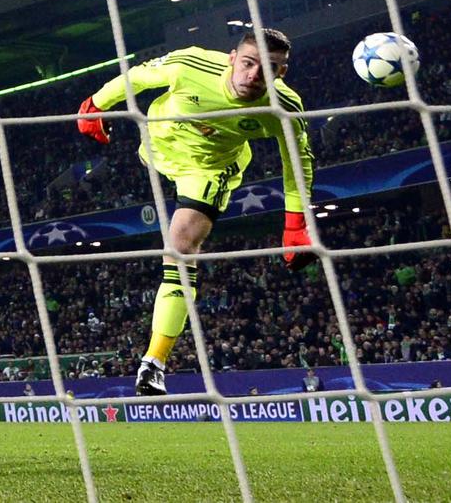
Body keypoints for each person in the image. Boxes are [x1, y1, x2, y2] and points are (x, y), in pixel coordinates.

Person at [78, 29, 316, 396]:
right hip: (157, 144)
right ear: (232, 58)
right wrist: (96, 104)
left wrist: (296, 223)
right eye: (249, 63)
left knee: (180, 248)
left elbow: (297, 164)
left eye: (268, 69)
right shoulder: (190, 65)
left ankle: (153, 364)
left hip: (207, 170)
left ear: (280, 74)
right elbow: (139, 76)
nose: (254, 76)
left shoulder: (283, 108)